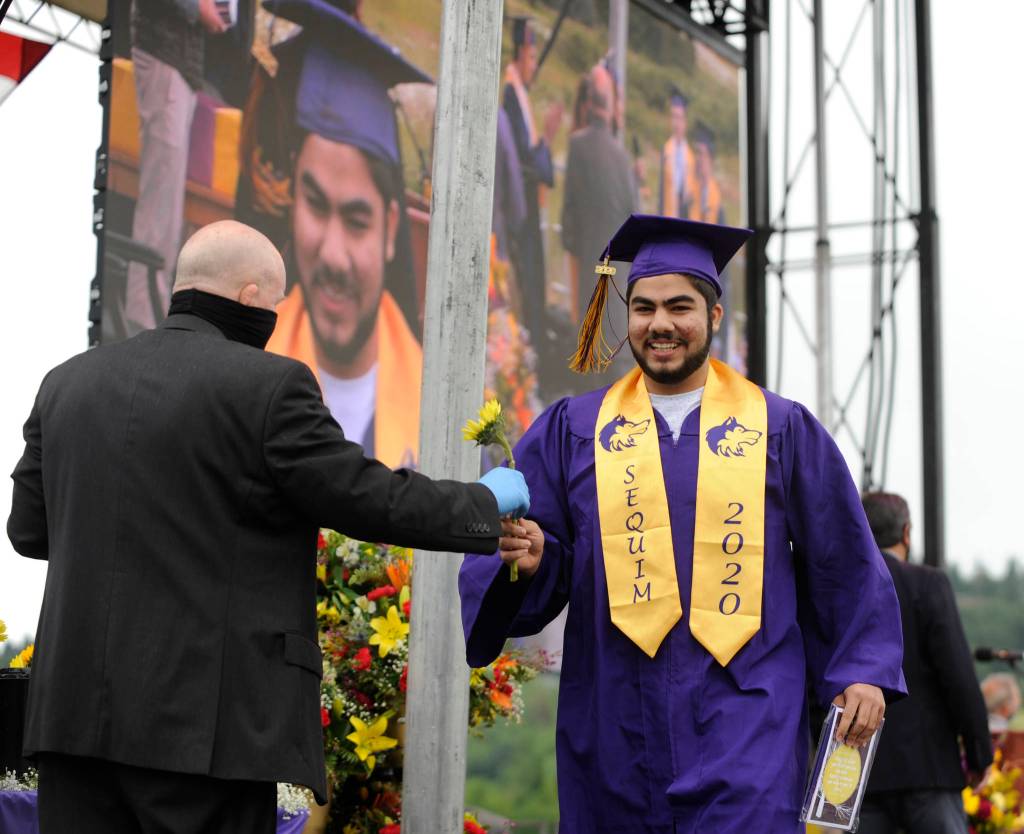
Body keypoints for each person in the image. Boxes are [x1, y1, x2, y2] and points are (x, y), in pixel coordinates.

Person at [7, 220, 530, 834]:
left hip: (71, 728)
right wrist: (481, 505)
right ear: (252, 297)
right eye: (277, 306)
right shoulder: (269, 386)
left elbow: (28, 532)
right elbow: (364, 496)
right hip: (203, 736)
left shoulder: (65, 384)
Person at [460, 213, 906, 833]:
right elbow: (537, 551)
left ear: (714, 317)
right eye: (643, 308)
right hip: (613, 721)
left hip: (747, 719)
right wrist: (535, 559)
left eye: (679, 306)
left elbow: (843, 556)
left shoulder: (780, 430)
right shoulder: (573, 431)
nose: (660, 323)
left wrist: (863, 668)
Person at [239, 0, 428, 467]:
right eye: (317, 206)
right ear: (292, 204)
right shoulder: (239, 391)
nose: (334, 256)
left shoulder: (439, 408)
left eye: (358, 220)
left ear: (390, 231)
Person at [859, 491, 992, 834]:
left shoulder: (845, 590)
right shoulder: (928, 584)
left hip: (862, 776)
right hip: (929, 773)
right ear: (906, 533)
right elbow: (958, 677)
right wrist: (979, 754)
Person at [122, 0, 227, 336]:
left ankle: (152, 310)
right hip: (162, 54)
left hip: (179, 65)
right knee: (160, 198)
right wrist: (199, 9)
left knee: (168, 203)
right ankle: (142, 314)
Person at [561, 63, 636, 329]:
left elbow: (569, 227)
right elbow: (635, 219)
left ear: (589, 103)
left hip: (589, 286)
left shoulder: (578, 146)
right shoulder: (623, 159)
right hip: (619, 295)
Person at [502, 16, 562, 346]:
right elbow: (524, 159)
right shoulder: (512, 95)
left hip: (527, 204)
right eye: (532, 57)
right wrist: (549, 138)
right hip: (520, 207)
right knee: (527, 281)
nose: (534, 64)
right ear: (520, 54)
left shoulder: (519, 95)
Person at [658, 88, 698, 219]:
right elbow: (661, 193)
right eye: (673, 117)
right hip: (669, 215)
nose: (676, 123)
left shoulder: (691, 157)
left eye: (679, 118)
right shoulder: (666, 151)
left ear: (685, 121)